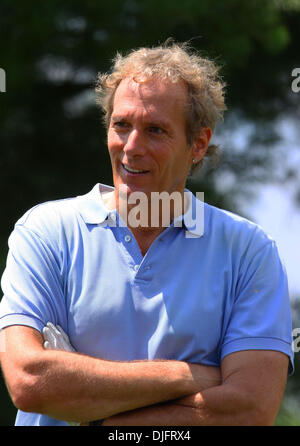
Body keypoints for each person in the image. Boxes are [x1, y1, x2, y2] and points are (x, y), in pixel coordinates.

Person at [0, 42, 294, 426]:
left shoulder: (248, 252)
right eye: (122, 125)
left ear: (198, 145)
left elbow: (250, 408)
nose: (132, 147)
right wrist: (190, 376)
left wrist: (101, 419)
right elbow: (29, 381)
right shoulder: (46, 232)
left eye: (155, 130)